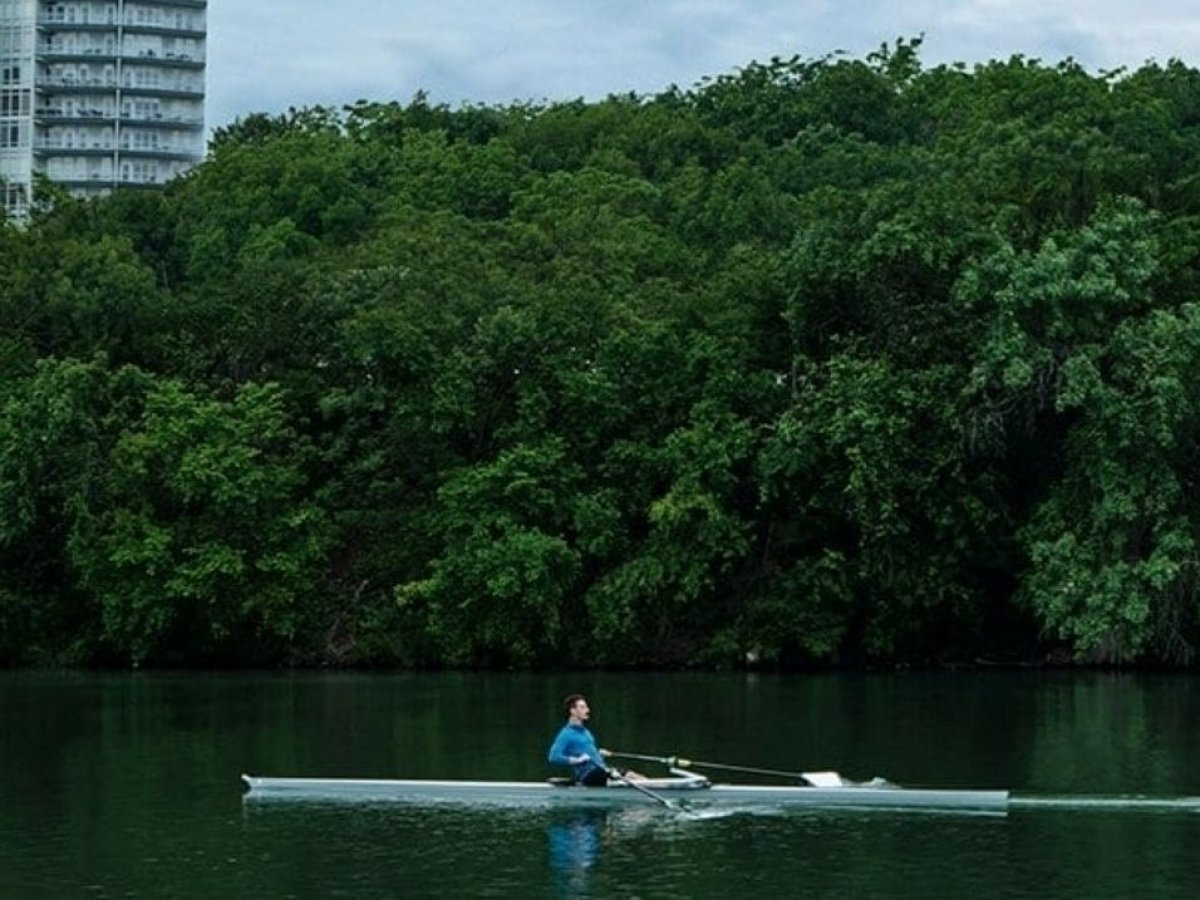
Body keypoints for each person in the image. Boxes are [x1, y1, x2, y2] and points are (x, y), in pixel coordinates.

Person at [547, 694, 643, 786]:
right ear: (573, 711)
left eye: (586, 707)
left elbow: (587, 753)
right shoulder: (566, 734)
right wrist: (577, 760)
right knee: (609, 772)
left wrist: (599, 753)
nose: (588, 710)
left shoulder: (586, 732)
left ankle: (653, 786)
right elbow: (553, 756)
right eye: (583, 707)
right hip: (588, 776)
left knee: (632, 775)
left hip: (600, 771)